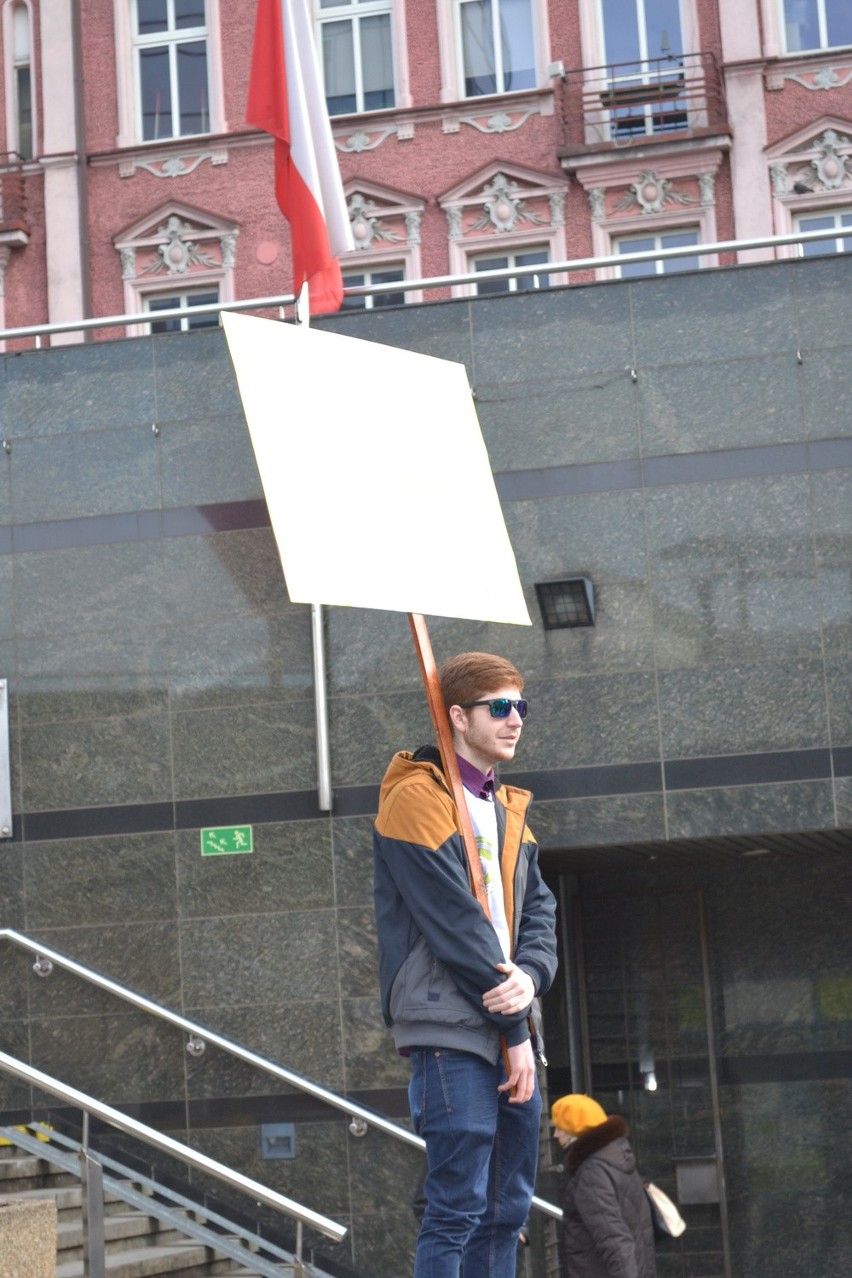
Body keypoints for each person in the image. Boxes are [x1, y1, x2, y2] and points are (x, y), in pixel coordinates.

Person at [374, 651, 558, 1278]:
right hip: (451, 1027)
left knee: (507, 1210)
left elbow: (539, 913)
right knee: (457, 1208)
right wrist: (514, 1029)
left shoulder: (506, 810)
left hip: (513, 1028)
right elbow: (455, 925)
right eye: (499, 708)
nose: (515, 721)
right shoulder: (414, 800)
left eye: (521, 708)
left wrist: (530, 979)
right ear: (457, 716)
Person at [551, 1094, 656, 1278]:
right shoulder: (616, 1157)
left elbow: (613, 1239)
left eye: (560, 1128)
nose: (555, 1134)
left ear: (576, 1130)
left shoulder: (591, 1172)